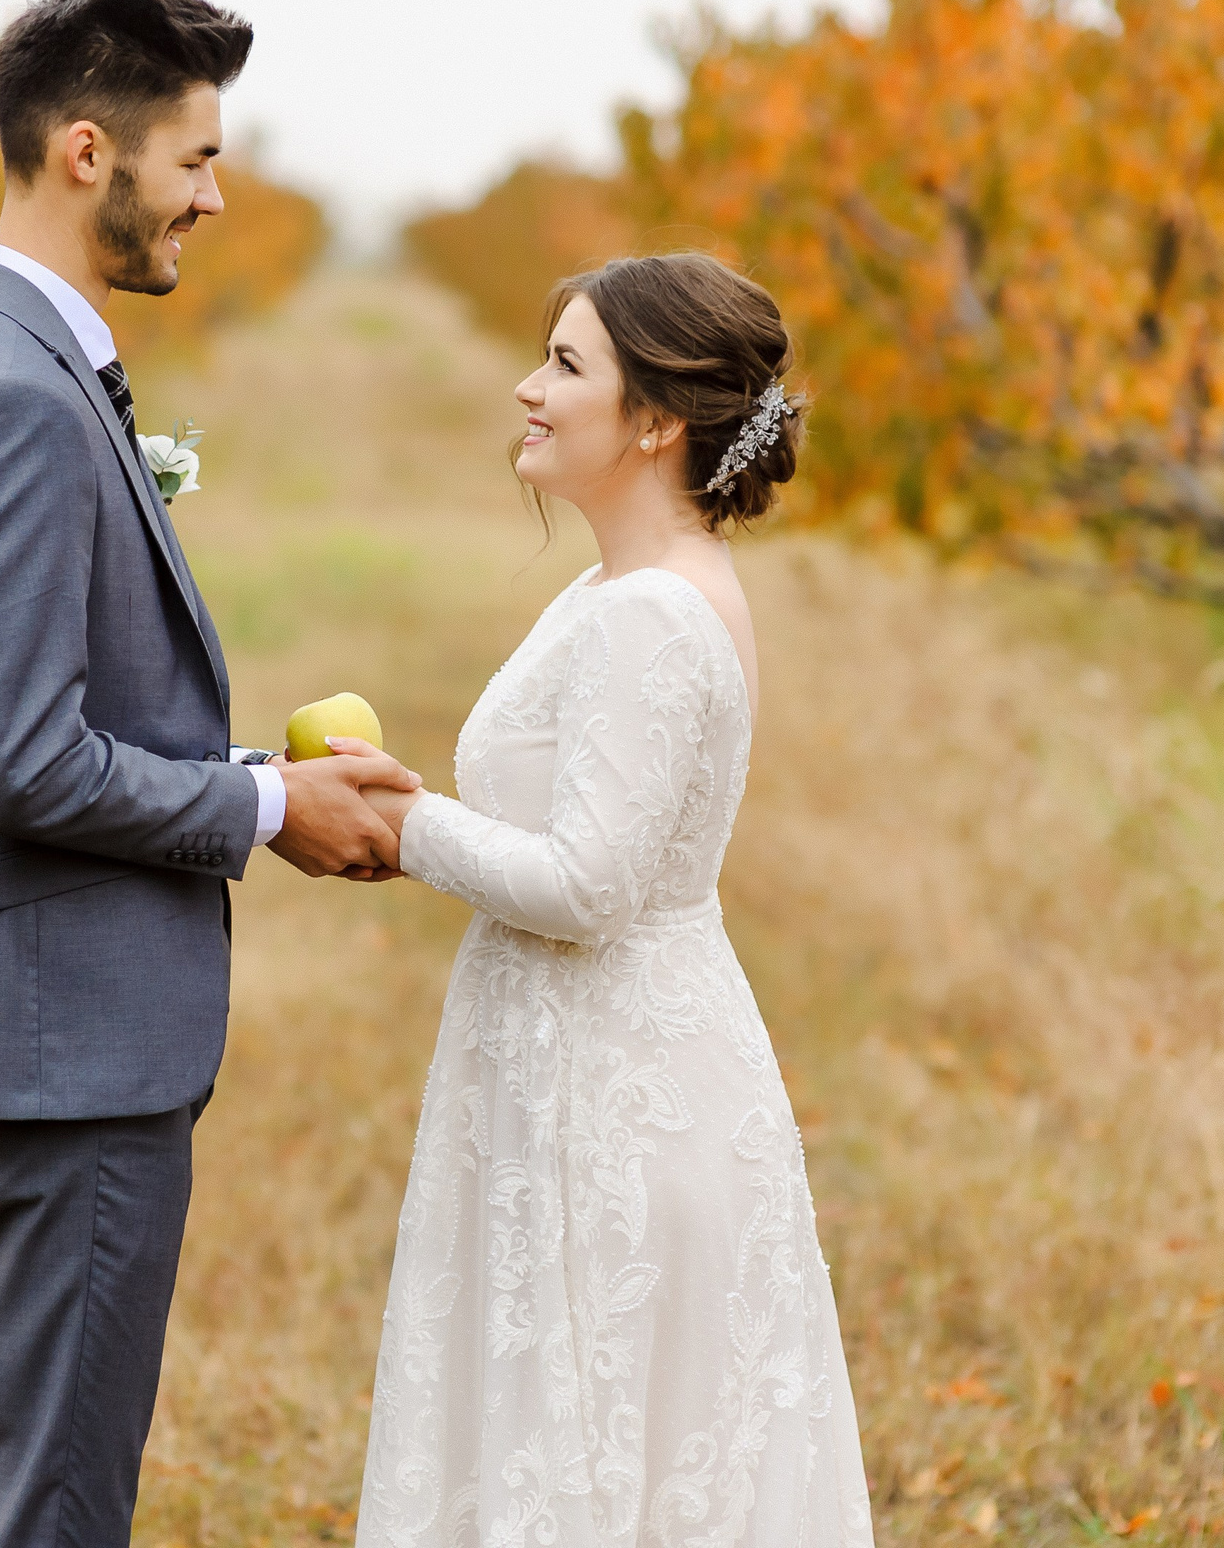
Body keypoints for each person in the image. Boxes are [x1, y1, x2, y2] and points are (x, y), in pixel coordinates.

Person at [0, 0, 420, 1548]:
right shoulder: (17, 407)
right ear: (90, 154)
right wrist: (263, 807)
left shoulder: (20, 364)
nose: (219, 196)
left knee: (39, 1470)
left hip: (64, 1030)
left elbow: (53, 709)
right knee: (54, 1503)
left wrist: (254, 765)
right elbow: (27, 764)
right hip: (73, 1038)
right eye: (195, 160)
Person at [337, 254, 877, 1547]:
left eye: (567, 366)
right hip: (587, 1054)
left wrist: (409, 828)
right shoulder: (625, 590)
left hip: (614, 1083)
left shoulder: (651, 616)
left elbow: (590, 885)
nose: (528, 389)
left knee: (595, 1423)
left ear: (653, 421)